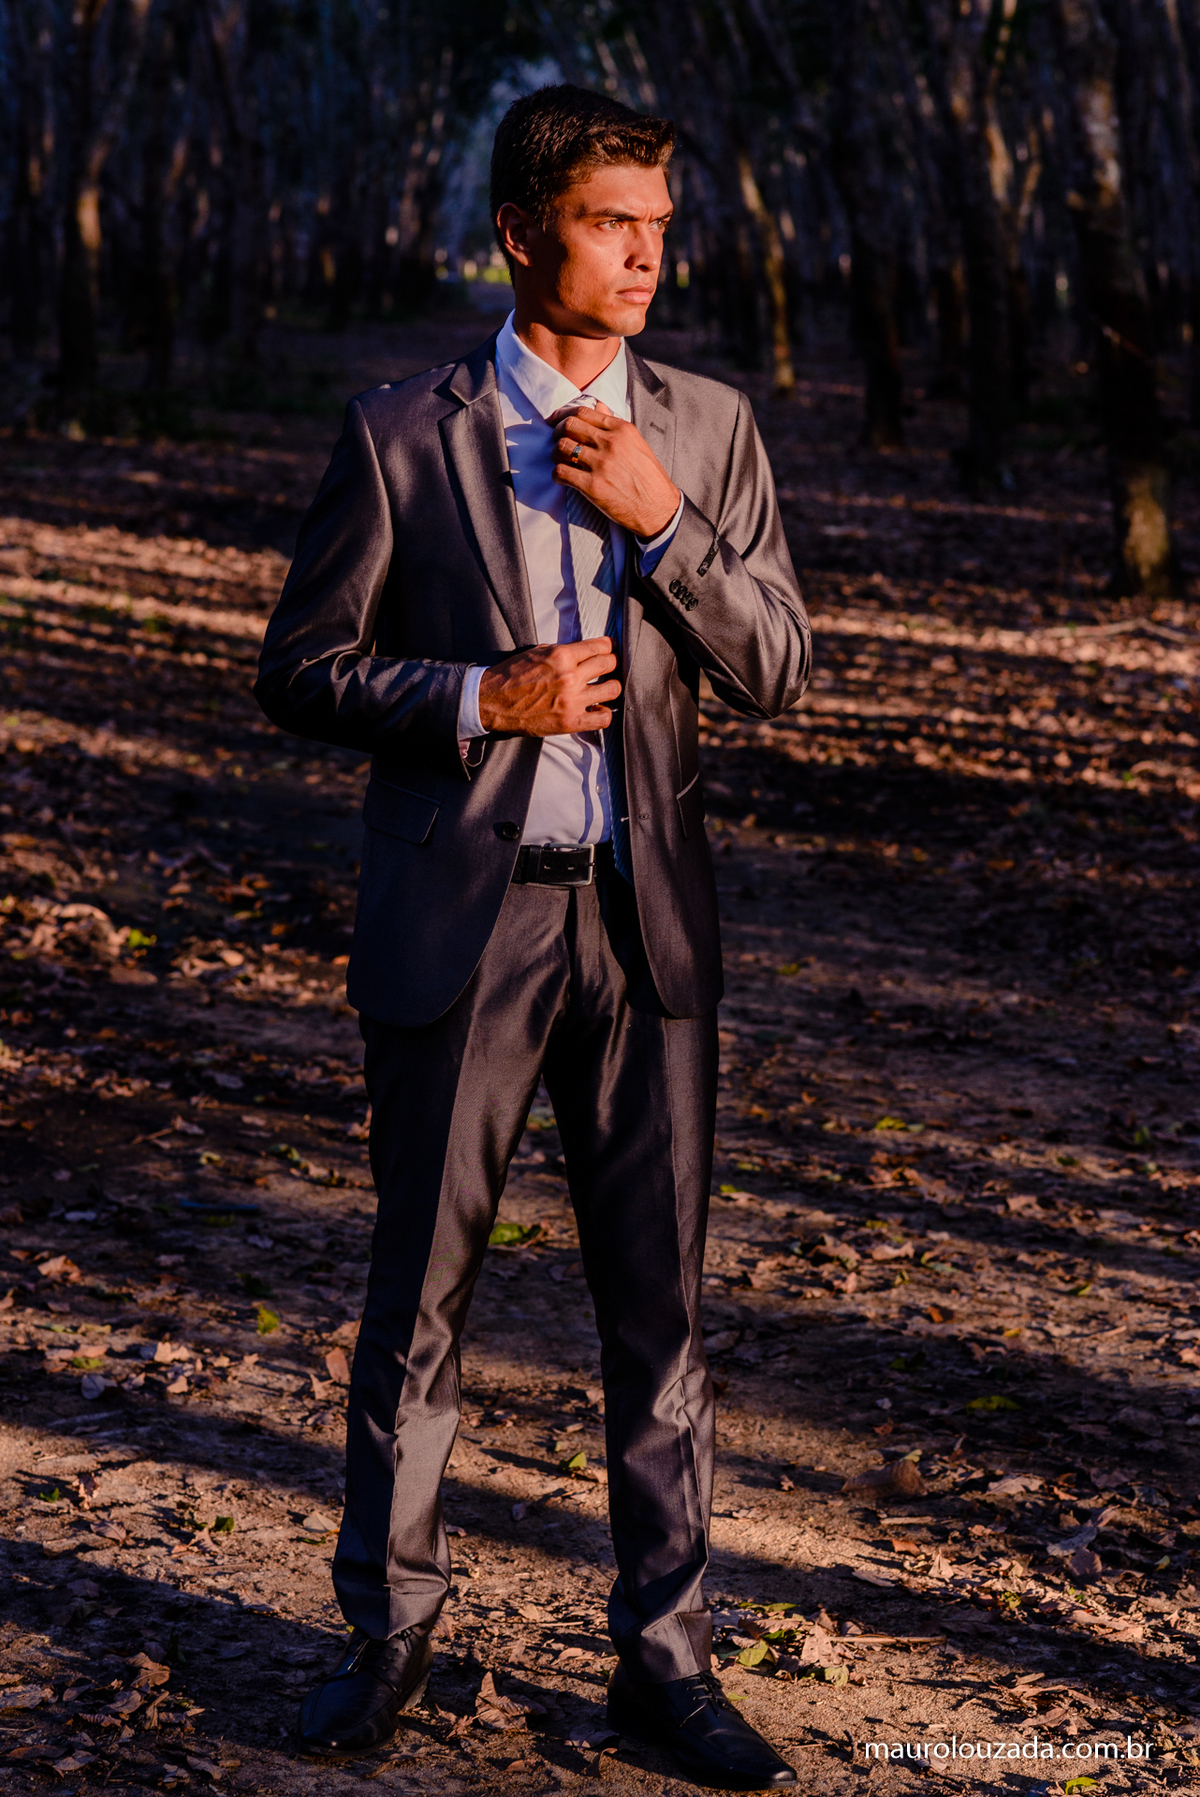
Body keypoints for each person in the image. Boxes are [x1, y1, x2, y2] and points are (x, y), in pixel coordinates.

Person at [255, 82, 810, 1792]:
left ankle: (667, 1660)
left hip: (649, 940)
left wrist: (658, 515)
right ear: (519, 235)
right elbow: (299, 667)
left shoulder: (706, 431)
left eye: (659, 221)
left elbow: (780, 659)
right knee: (417, 1301)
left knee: (661, 1316)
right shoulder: (399, 434)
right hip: (465, 928)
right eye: (609, 223)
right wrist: (473, 696)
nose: (648, 252)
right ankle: (389, 1635)